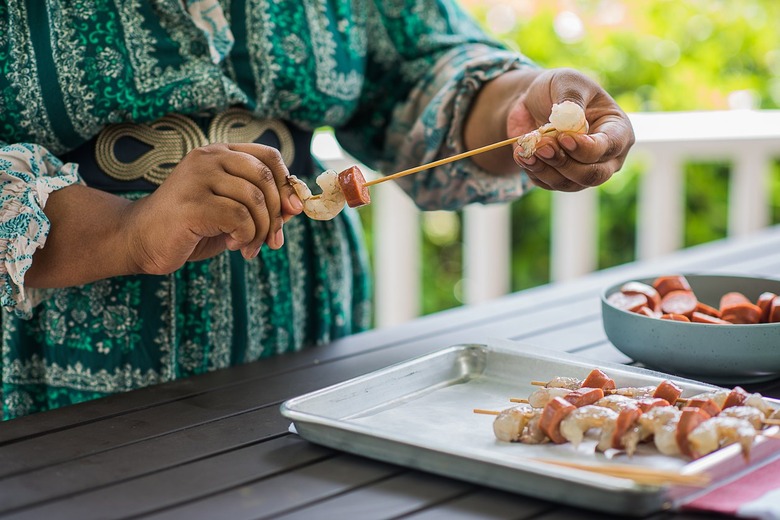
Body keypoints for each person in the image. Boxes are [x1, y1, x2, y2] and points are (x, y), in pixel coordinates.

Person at [0, 0, 634, 420]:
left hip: (307, 343)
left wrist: (521, 109)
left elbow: (418, 63)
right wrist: (128, 231)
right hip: (50, 380)